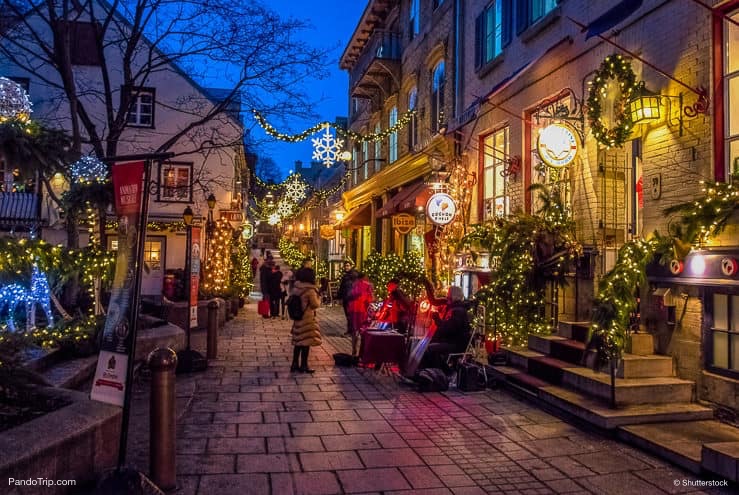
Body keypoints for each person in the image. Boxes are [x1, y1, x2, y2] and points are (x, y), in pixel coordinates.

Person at [421, 286, 471, 371]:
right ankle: (429, 372)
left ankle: (440, 372)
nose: (447, 297)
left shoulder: (458, 311)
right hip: (452, 341)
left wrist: (437, 319)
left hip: (456, 344)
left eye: (448, 294)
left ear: (453, 296)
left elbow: (448, 329)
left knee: (429, 349)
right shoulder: (454, 309)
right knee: (428, 345)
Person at [289, 267, 322, 373]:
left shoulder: (296, 287)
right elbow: (315, 304)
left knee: (298, 342)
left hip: (298, 317)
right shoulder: (310, 290)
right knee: (306, 342)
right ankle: (304, 365)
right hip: (307, 318)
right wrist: (319, 298)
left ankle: (294, 364)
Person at [347, 273, 373, 357]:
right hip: (362, 310)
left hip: (353, 309)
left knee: (354, 331)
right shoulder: (368, 285)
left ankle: (354, 350)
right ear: (365, 277)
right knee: (363, 331)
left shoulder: (353, 285)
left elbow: (349, 295)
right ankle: (362, 352)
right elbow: (370, 299)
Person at [337, 260, 358, 335]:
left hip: (350, 298)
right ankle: (351, 330)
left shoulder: (352, 275)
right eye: (345, 266)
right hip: (347, 298)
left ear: (351, 266)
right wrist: (339, 297)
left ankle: (351, 331)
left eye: (348, 266)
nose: (346, 267)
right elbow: (342, 287)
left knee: (350, 315)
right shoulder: (346, 275)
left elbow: (347, 287)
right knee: (349, 315)